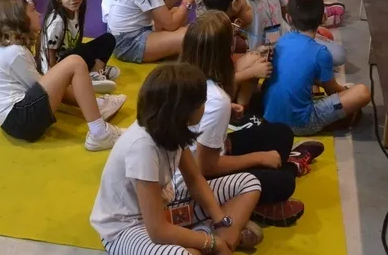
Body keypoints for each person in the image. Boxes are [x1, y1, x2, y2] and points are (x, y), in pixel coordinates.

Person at [90, 63, 264, 255]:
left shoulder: (172, 129)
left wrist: (220, 220)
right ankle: (207, 238)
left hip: (165, 206)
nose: (204, 108)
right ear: (183, 109)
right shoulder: (142, 147)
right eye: (201, 103)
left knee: (248, 182)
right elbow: (157, 230)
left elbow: (195, 179)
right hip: (126, 228)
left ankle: (207, 235)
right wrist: (212, 243)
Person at [179, 11, 323, 227]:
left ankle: (277, 171)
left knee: (281, 133)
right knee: (284, 182)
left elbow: (198, 127)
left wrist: (226, 108)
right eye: (233, 39)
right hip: (193, 183)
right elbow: (205, 167)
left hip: (199, 159)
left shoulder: (183, 76)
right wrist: (259, 158)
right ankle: (278, 178)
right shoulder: (215, 99)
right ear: (225, 51)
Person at [0, 0, 126, 151]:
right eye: (33, 10)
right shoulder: (14, 52)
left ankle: (96, 107)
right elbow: (41, 86)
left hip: (13, 121)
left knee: (66, 70)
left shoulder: (4, 48)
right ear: (19, 18)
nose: (39, 14)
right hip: (20, 121)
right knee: (75, 63)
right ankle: (99, 132)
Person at [263, 0, 371, 135]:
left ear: (288, 18)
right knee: (361, 92)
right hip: (299, 124)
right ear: (323, 18)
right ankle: (337, 120)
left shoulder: (283, 40)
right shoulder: (321, 53)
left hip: (269, 118)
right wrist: (346, 91)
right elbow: (331, 90)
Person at [42, 0, 119, 90]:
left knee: (109, 39)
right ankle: (89, 74)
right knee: (83, 50)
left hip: (72, 57)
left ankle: (95, 73)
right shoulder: (57, 21)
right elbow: (49, 53)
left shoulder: (76, 11)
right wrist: (54, 78)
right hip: (59, 66)